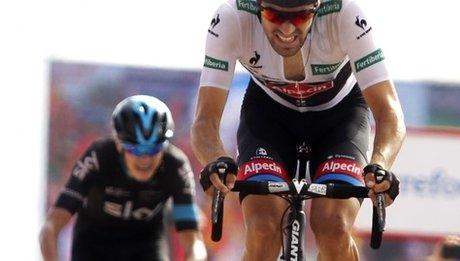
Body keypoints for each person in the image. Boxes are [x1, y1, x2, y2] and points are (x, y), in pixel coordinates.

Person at [191, 0, 405, 260]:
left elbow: (390, 114)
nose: (288, 28)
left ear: (316, 8)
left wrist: (380, 165)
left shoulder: (344, 13)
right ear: (258, 7)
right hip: (269, 118)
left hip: (339, 119)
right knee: (262, 227)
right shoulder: (231, 17)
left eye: (301, 17)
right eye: (274, 15)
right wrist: (216, 160)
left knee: (334, 227)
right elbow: (204, 121)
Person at [40, 95, 207, 261]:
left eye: (154, 149)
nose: (145, 159)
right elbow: (51, 226)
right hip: (94, 246)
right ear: (119, 144)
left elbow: (193, 242)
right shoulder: (100, 157)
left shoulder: (175, 165)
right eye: (135, 150)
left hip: (146, 247)